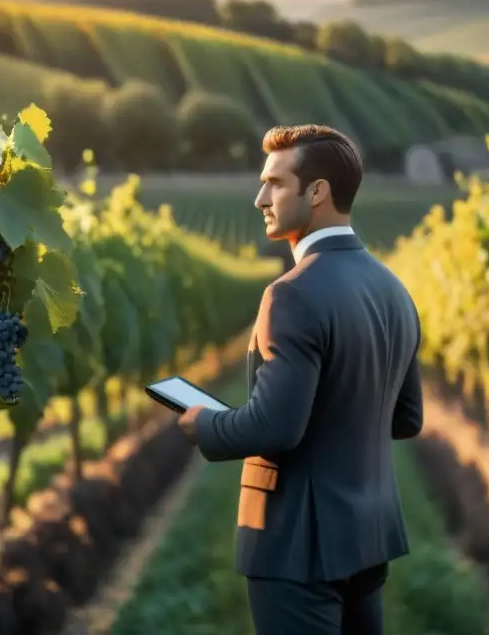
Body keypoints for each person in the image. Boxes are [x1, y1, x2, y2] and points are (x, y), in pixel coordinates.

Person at [178, 124, 423, 634]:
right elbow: (406, 417)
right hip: (367, 536)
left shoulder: (290, 294)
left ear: (317, 193)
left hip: (297, 544)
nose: (259, 197)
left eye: (275, 183)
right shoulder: (394, 289)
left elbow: (274, 429)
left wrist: (203, 423)